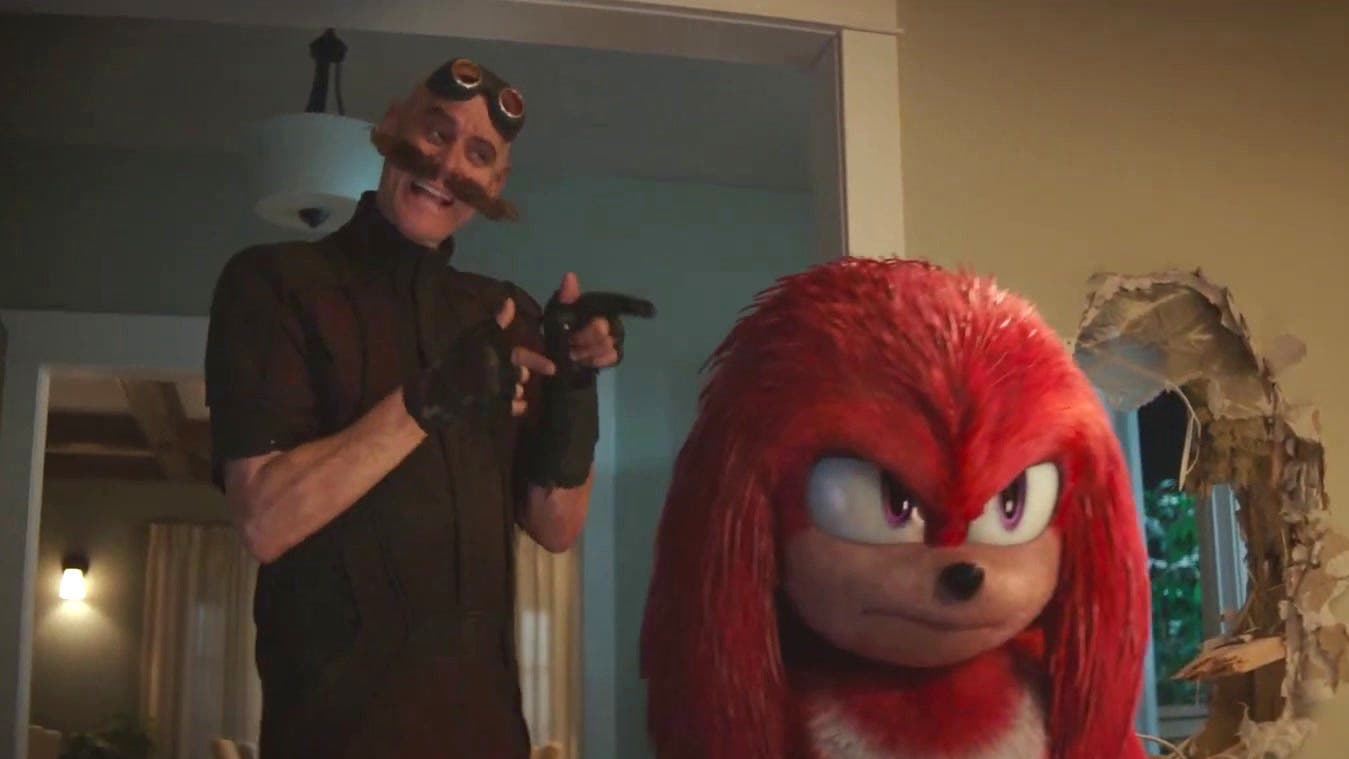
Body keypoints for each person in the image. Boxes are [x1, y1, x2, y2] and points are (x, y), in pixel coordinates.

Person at [204, 57, 622, 758]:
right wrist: (433, 397)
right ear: (392, 125)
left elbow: (556, 525)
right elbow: (264, 521)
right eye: (435, 132)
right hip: (332, 739)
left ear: (495, 184)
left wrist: (576, 386)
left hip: (488, 737)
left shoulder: (505, 315)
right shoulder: (273, 284)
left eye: (478, 154)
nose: (447, 164)